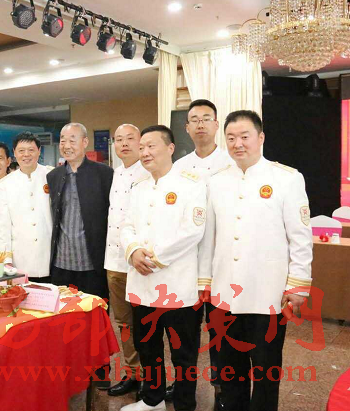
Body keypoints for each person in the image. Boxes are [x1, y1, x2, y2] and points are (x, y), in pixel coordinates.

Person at [198, 111, 313, 411]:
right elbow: (209, 237)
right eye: (231, 138)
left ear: (260, 138)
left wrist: (298, 285)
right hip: (224, 295)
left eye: (244, 136)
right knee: (229, 370)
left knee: (265, 373)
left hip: (267, 296)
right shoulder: (217, 182)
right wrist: (204, 281)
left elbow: (300, 237)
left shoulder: (286, 178)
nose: (238, 144)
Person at [120, 125, 206, 411]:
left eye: (151, 146)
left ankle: (184, 404)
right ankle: (152, 399)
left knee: (183, 353)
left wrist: (153, 259)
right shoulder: (138, 188)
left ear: (170, 148)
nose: (145, 152)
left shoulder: (191, 185)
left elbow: (193, 231)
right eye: (142, 147)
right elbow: (126, 226)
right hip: (142, 285)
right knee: (148, 347)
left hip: (177, 285)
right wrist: (133, 251)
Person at [169, 99, 234, 407]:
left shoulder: (231, 164)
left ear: (216, 124)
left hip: (223, 262)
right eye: (194, 119)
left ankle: (222, 391)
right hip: (188, 262)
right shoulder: (179, 168)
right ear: (186, 128)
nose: (200, 124)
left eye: (206, 118)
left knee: (221, 333)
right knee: (184, 333)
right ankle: (184, 390)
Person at [101, 124, 149, 397]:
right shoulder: (115, 173)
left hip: (140, 262)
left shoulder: (149, 171)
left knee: (145, 323)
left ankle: (151, 377)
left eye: (130, 138)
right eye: (119, 140)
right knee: (124, 322)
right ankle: (133, 373)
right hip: (115, 260)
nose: (124, 144)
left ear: (140, 141)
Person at [47, 123, 113, 300]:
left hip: (92, 262)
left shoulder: (105, 174)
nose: (66, 145)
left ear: (85, 142)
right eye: (63, 141)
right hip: (61, 261)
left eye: (72, 140)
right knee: (63, 310)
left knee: (94, 309)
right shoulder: (53, 176)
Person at [0, 132, 52, 280]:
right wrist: (6, 259)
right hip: (21, 258)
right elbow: (3, 226)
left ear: (39, 151)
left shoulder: (52, 175)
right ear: (14, 153)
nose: (26, 155)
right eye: (21, 151)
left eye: (31, 150)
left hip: (51, 256)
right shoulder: (5, 184)